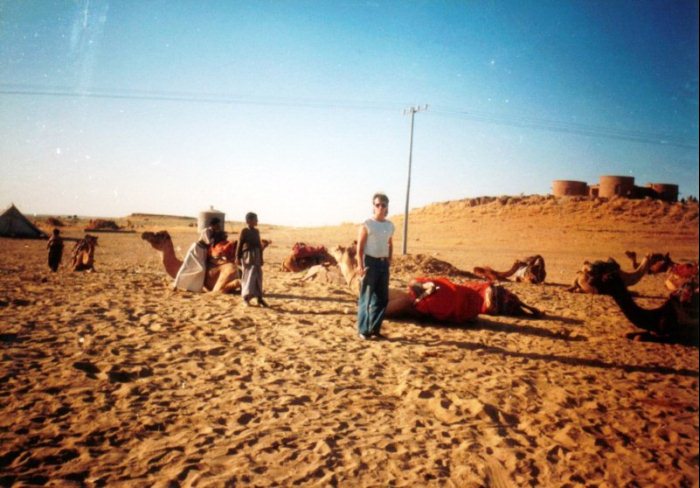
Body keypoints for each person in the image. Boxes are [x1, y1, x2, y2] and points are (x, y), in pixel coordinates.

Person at [357, 193, 395, 340]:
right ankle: (363, 330)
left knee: (382, 299)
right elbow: (360, 247)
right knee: (366, 298)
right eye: (377, 205)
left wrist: (389, 259)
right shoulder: (367, 224)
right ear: (373, 206)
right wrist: (360, 266)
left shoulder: (389, 225)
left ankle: (374, 329)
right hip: (370, 263)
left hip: (383, 264)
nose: (380, 207)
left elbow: (390, 243)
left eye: (383, 205)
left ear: (387, 207)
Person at [173, 217, 221, 292]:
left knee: (201, 270)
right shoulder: (206, 231)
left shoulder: (213, 232)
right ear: (213, 225)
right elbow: (208, 242)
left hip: (203, 251)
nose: (218, 226)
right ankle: (176, 284)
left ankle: (194, 288)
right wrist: (216, 237)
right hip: (197, 249)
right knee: (187, 267)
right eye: (217, 225)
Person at [236, 212, 268, 307]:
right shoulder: (244, 231)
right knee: (248, 276)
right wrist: (237, 257)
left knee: (258, 276)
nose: (257, 221)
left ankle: (259, 298)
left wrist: (261, 258)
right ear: (248, 221)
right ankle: (246, 298)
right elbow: (239, 244)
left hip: (256, 255)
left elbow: (259, 245)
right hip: (247, 256)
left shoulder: (256, 231)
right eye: (255, 219)